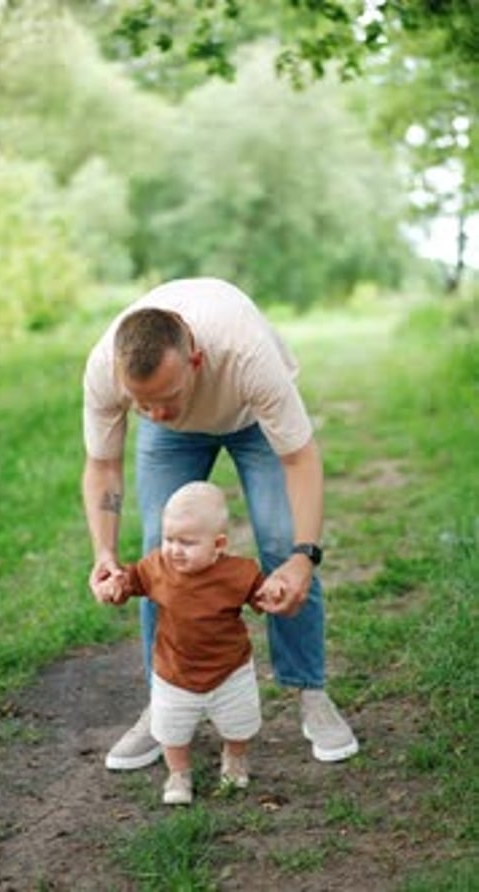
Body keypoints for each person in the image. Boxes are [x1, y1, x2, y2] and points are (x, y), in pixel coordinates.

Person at [82, 276, 359, 771]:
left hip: (251, 419)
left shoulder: (247, 355)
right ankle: (162, 703)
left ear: (195, 360)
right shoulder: (107, 368)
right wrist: (104, 554)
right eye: (142, 403)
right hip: (174, 443)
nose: (156, 413)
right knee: (160, 549)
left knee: (282, 543)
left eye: (165, 396)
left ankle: (310, 692)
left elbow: (300, 458)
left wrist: (305, 555)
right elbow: (103, 466)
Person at [97, 481, 272, 805]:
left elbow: (261, 596)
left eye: (187, 542)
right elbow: (131, 581)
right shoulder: (156, 567)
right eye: (169, 539)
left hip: (230, 668)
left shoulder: (240, 572)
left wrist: (272, 594)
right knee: (170, 730)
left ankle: (235, 757)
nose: (175, 549)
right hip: (174, 670)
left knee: (239, 723)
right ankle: (178, 773)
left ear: (218, 544)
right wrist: (115, 586)